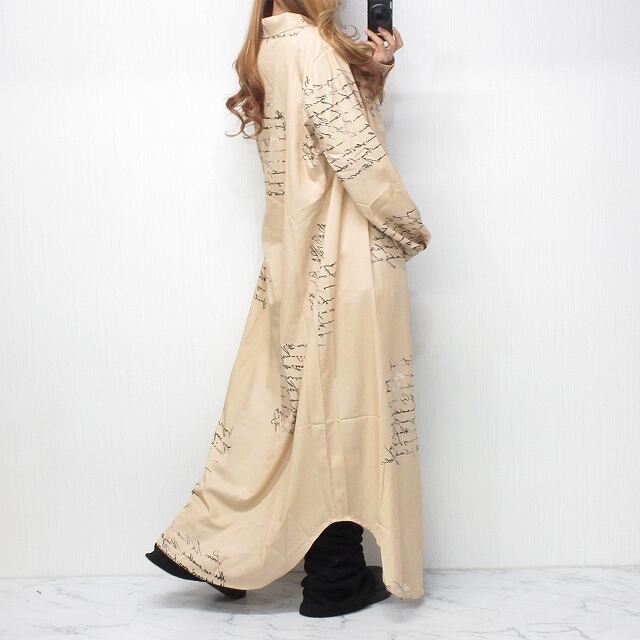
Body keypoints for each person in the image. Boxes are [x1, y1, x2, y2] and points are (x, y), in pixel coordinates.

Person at [145, 0, 431, 618]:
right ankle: (334, 577)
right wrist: (411, 227)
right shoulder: (314, 49)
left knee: (284, 410)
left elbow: (319, 142)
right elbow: (357, 161)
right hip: (344, 258)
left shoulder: (268, 47)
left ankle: (224, 547)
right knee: (343, 411)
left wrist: (373, 76)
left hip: (294, 255)